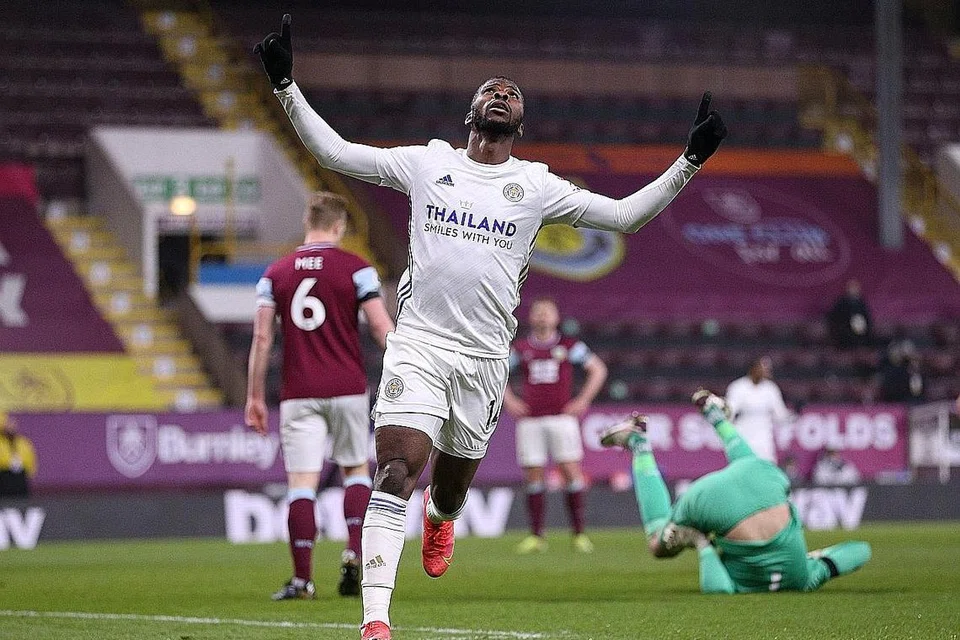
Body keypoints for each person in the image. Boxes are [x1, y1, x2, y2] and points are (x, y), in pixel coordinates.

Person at [254, 15, 726, 639]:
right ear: (471, 112)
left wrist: (689, 160)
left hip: (484, 361)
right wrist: (287, 85)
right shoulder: (428, 164)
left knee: (448, 489)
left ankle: (442, 517)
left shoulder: (534, 185)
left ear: (518, 124)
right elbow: (334, 153)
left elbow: (624, 216)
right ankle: (374, 620)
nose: (502, 93)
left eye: (513, 94)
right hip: (417, 346)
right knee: (396, 471)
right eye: (492, 89)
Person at [245, 191, 395, 600]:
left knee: (302, 485)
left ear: (307, 221)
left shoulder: (275, 273)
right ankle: (354, 552)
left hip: (299, 392)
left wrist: (254, 396)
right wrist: (407, 373)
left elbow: (262, 337)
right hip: (348, 387)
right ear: (339, 225)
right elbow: (382, 329)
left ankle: (302, 580)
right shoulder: (357, 269)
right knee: (356, 471)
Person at [598, 390, 872, 594]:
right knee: (659, 542)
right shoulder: (759, 585)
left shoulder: (805, 579)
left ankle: (715, 415)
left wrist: (818, 562)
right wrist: (701, 544)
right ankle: (638, 442)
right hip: (711, 502)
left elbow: (860, 551)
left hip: (766, 479)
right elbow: (718, 590)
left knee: (748, 465)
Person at [503, 297, 607, 554]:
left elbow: (598, 369)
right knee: (533, 475)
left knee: (571, 471)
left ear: (556, 317)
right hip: (531, 420)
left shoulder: (569, 346)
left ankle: (579, 533)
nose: (542, 317)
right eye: (538, 312)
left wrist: (583, 399)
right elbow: (497, 373)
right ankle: (537, 535)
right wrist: (510, 401)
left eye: (547, 312)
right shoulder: (522, 348)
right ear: (531, 317)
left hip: (562, 418)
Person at [724, 355, 792, 463]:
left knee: (767, 468)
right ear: (754, 368)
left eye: (767, 368)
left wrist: (790, 416)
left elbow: (780, 414)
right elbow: (729, 412)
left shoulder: (771, 388)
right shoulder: (738, 387)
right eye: (763, 367)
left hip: (764, 437)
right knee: (743, 467)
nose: (766, 370)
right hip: (744, 434)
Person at [827, 279, 872, 349]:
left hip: (860, 335)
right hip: (843, 334)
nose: (853, 290)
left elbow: (867, 319)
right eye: (851, 287)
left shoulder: (861, 303)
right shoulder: (841, 303)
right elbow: (834, 318)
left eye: (855, 287)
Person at [0, 412, 37, 498]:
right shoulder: (1, 443)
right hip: (4, 476)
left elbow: (31, 460)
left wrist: (28, 473)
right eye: (8, 425)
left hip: (20, 477)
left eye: (13, 425)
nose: (11, 428)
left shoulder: (23, 443)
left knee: (21, 501)